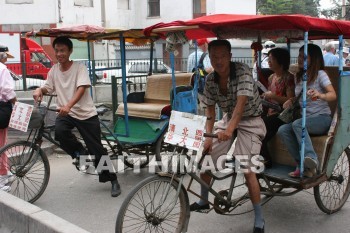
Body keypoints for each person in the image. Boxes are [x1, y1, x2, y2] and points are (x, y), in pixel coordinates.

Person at [190, 39, 266, 233]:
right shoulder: (210, 79)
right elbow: (209, 110)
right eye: (214, 56)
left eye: (223, 56)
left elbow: (241, 107)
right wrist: (208, 138)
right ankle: (203, 200)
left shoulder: (242, 71)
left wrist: (230, 130)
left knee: (248, 169)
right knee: (206, 159)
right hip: (228, 119)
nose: (219, 60)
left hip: (250, 119)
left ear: (230, 56)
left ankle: (259, 218)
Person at [33, 36, 121, 197]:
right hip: (66, 114)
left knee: (97, 149)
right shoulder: (54, 70)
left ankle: (113, 180)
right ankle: (80, 153)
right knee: (59, 132)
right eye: (57, 51)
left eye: (62, 50)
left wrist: (68, 105)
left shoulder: (79, 68)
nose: (59, 54)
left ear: (70, 51)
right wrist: (40, 90)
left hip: (85, 114)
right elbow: (47, 87)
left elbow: (81, 88)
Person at [277, 44, 336, 178]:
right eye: (299, 56)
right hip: (305, 119)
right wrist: (291, 101)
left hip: (322, 118)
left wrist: (320, 95)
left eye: (304, 57)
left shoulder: (320, 74)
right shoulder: (299, 76)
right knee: (283, 130)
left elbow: (333, 95)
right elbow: (299, 98)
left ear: (313, 59)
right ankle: (301, 164)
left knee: (297, 124)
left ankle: (311, 158)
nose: (299, 59)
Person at [260, 48, 295, 167]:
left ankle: (266, 160)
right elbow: (271, 97)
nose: (269, 61)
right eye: (268, 59)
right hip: (271, 112)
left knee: (260, 126)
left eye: (272, 59)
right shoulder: (271, 77)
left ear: (281, 61)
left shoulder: (289, 78)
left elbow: (290, 100)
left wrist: (273, 96)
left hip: (283, 115)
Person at [0, 43, 16, 192]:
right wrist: (15, 102)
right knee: (1, 143)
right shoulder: (2, 69)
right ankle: (1, 177)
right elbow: (7, 90)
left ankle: (5, 171)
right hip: (1, 107)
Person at [187, 38, 213, 115]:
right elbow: (209, 69)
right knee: (205, 110)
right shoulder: (204, 55)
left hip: (192, 87)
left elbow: (189, 71)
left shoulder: (191, 55)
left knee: (196, 109)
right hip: (202, 88)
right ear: (205, 44)